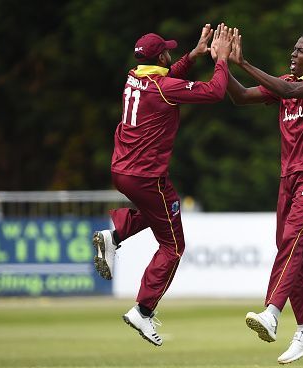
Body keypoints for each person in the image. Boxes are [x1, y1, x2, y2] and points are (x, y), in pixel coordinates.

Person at [92, 24, 233, 347]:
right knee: (173, 247)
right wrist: (221, 60)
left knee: (164, 211)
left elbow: (168, 78)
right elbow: (215, 92)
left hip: (123, 170)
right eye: (168, 51)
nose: (171, 54)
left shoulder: (134, 77)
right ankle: (143, 309)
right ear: (161, 56)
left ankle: (114, 235)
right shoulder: (162, 87)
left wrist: (193, 56)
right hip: (146, 176)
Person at [212, 25, 303, 364]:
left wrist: (243, 62)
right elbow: (240, 97)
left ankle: (271, 312)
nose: (293, 54)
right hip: (289, 178)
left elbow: (288, 89)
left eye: (300, 51)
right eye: (293, 49)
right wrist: (222, 64)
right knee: (288, 244)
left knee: (291, 241)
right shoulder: (285, 81)